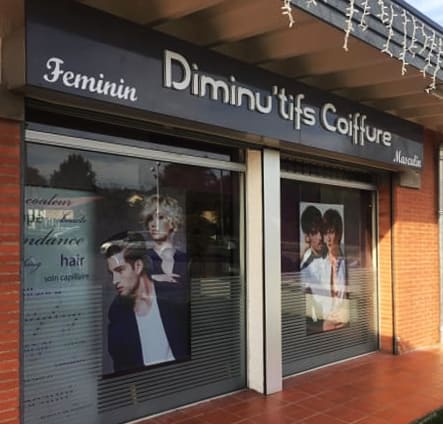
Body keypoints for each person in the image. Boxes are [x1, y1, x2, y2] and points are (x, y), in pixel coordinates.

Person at [102, 232, 189, 373]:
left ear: (138, 266)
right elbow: (122, 368)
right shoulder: (117, 312)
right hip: (148, 388)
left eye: (120, 270)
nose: (114, 280)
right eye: (111, 273)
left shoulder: (173, 296)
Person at [140, 194, 188, 286]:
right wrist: (153, 277)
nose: (153, 224)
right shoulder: (143, 259)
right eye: (150, 219)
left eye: (160, 218)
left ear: (172, 223)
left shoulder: (184, 259)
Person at [321, 208, 348, 331]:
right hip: (327, 325)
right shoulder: (321, 265)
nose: (328, 238)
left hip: (344, 325)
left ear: (339, 233)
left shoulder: (347, 264)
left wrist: (348, 315)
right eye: (325, 233)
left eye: (331, 232)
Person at [300, 205, 326, 269]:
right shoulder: (306, 265)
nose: (320, 237)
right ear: (307, 237)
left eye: (321, 229)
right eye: (314, 233)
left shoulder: (332, 254)